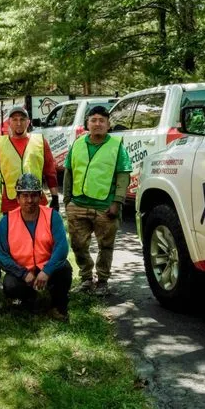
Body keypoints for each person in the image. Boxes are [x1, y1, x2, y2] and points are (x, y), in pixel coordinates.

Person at [63, 104, 132, 293]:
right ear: (87, 123)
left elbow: (123, 175)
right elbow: (69, 172)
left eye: (102, 120)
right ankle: (86, 278)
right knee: (77, 244)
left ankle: (102, 281)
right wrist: (67, 200)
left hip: (105, 206)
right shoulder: (77, 143)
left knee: (106, 246)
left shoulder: (116, 146)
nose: (97, 124)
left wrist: (117, 202)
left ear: (109, 124)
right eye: (93, 120)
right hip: (77, 204)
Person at [0, 174, 72, 321]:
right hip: (22, 269)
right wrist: (23, 273)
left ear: (40, 196)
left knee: (65, 269)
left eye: (34, 195)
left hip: (46, 266)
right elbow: (1, 255)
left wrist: (47, 271)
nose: (29, 200)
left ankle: (58, 306)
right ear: (17, 198)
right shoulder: (7, 221)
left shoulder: (52, 216)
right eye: (25, 196)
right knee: (10, 285)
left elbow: (62, 247)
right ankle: (30, 298)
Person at [0, 105, 59, 215]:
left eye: (22, 119)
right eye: (15, 119)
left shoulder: (40, 141)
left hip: (35, 199)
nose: (19, 123)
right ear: (9, 122)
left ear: (28, 122)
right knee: (13, 232)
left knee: (38, 232)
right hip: (11, 200)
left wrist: (55, 196)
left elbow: (50, 170)